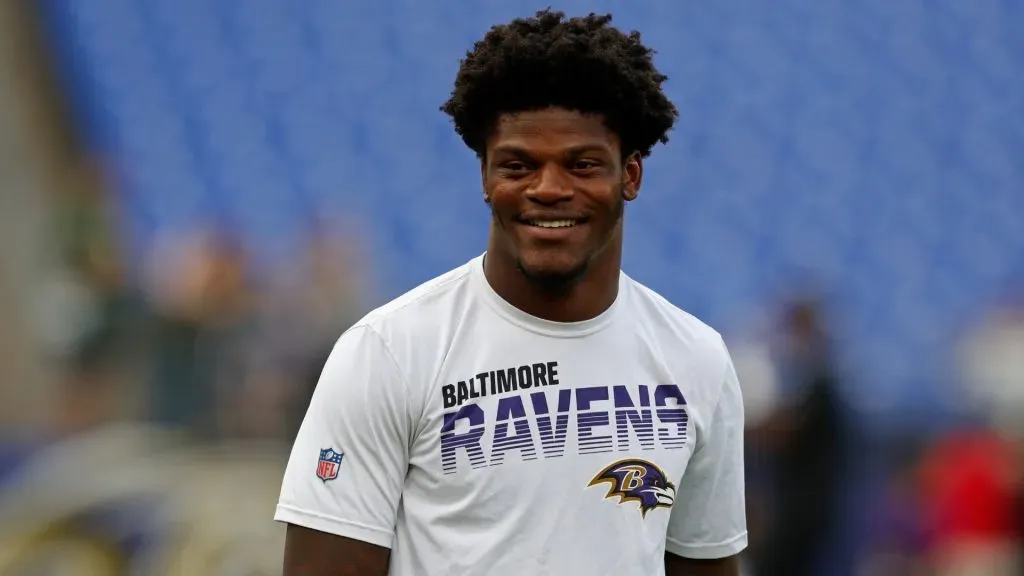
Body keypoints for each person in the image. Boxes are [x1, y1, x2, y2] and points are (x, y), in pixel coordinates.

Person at [275, 10, 747, 576]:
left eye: (582, 164)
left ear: (631, 176)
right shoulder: (390, 353)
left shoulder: (697, 359)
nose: (548, 188)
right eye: (519, 165)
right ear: (485, 177)